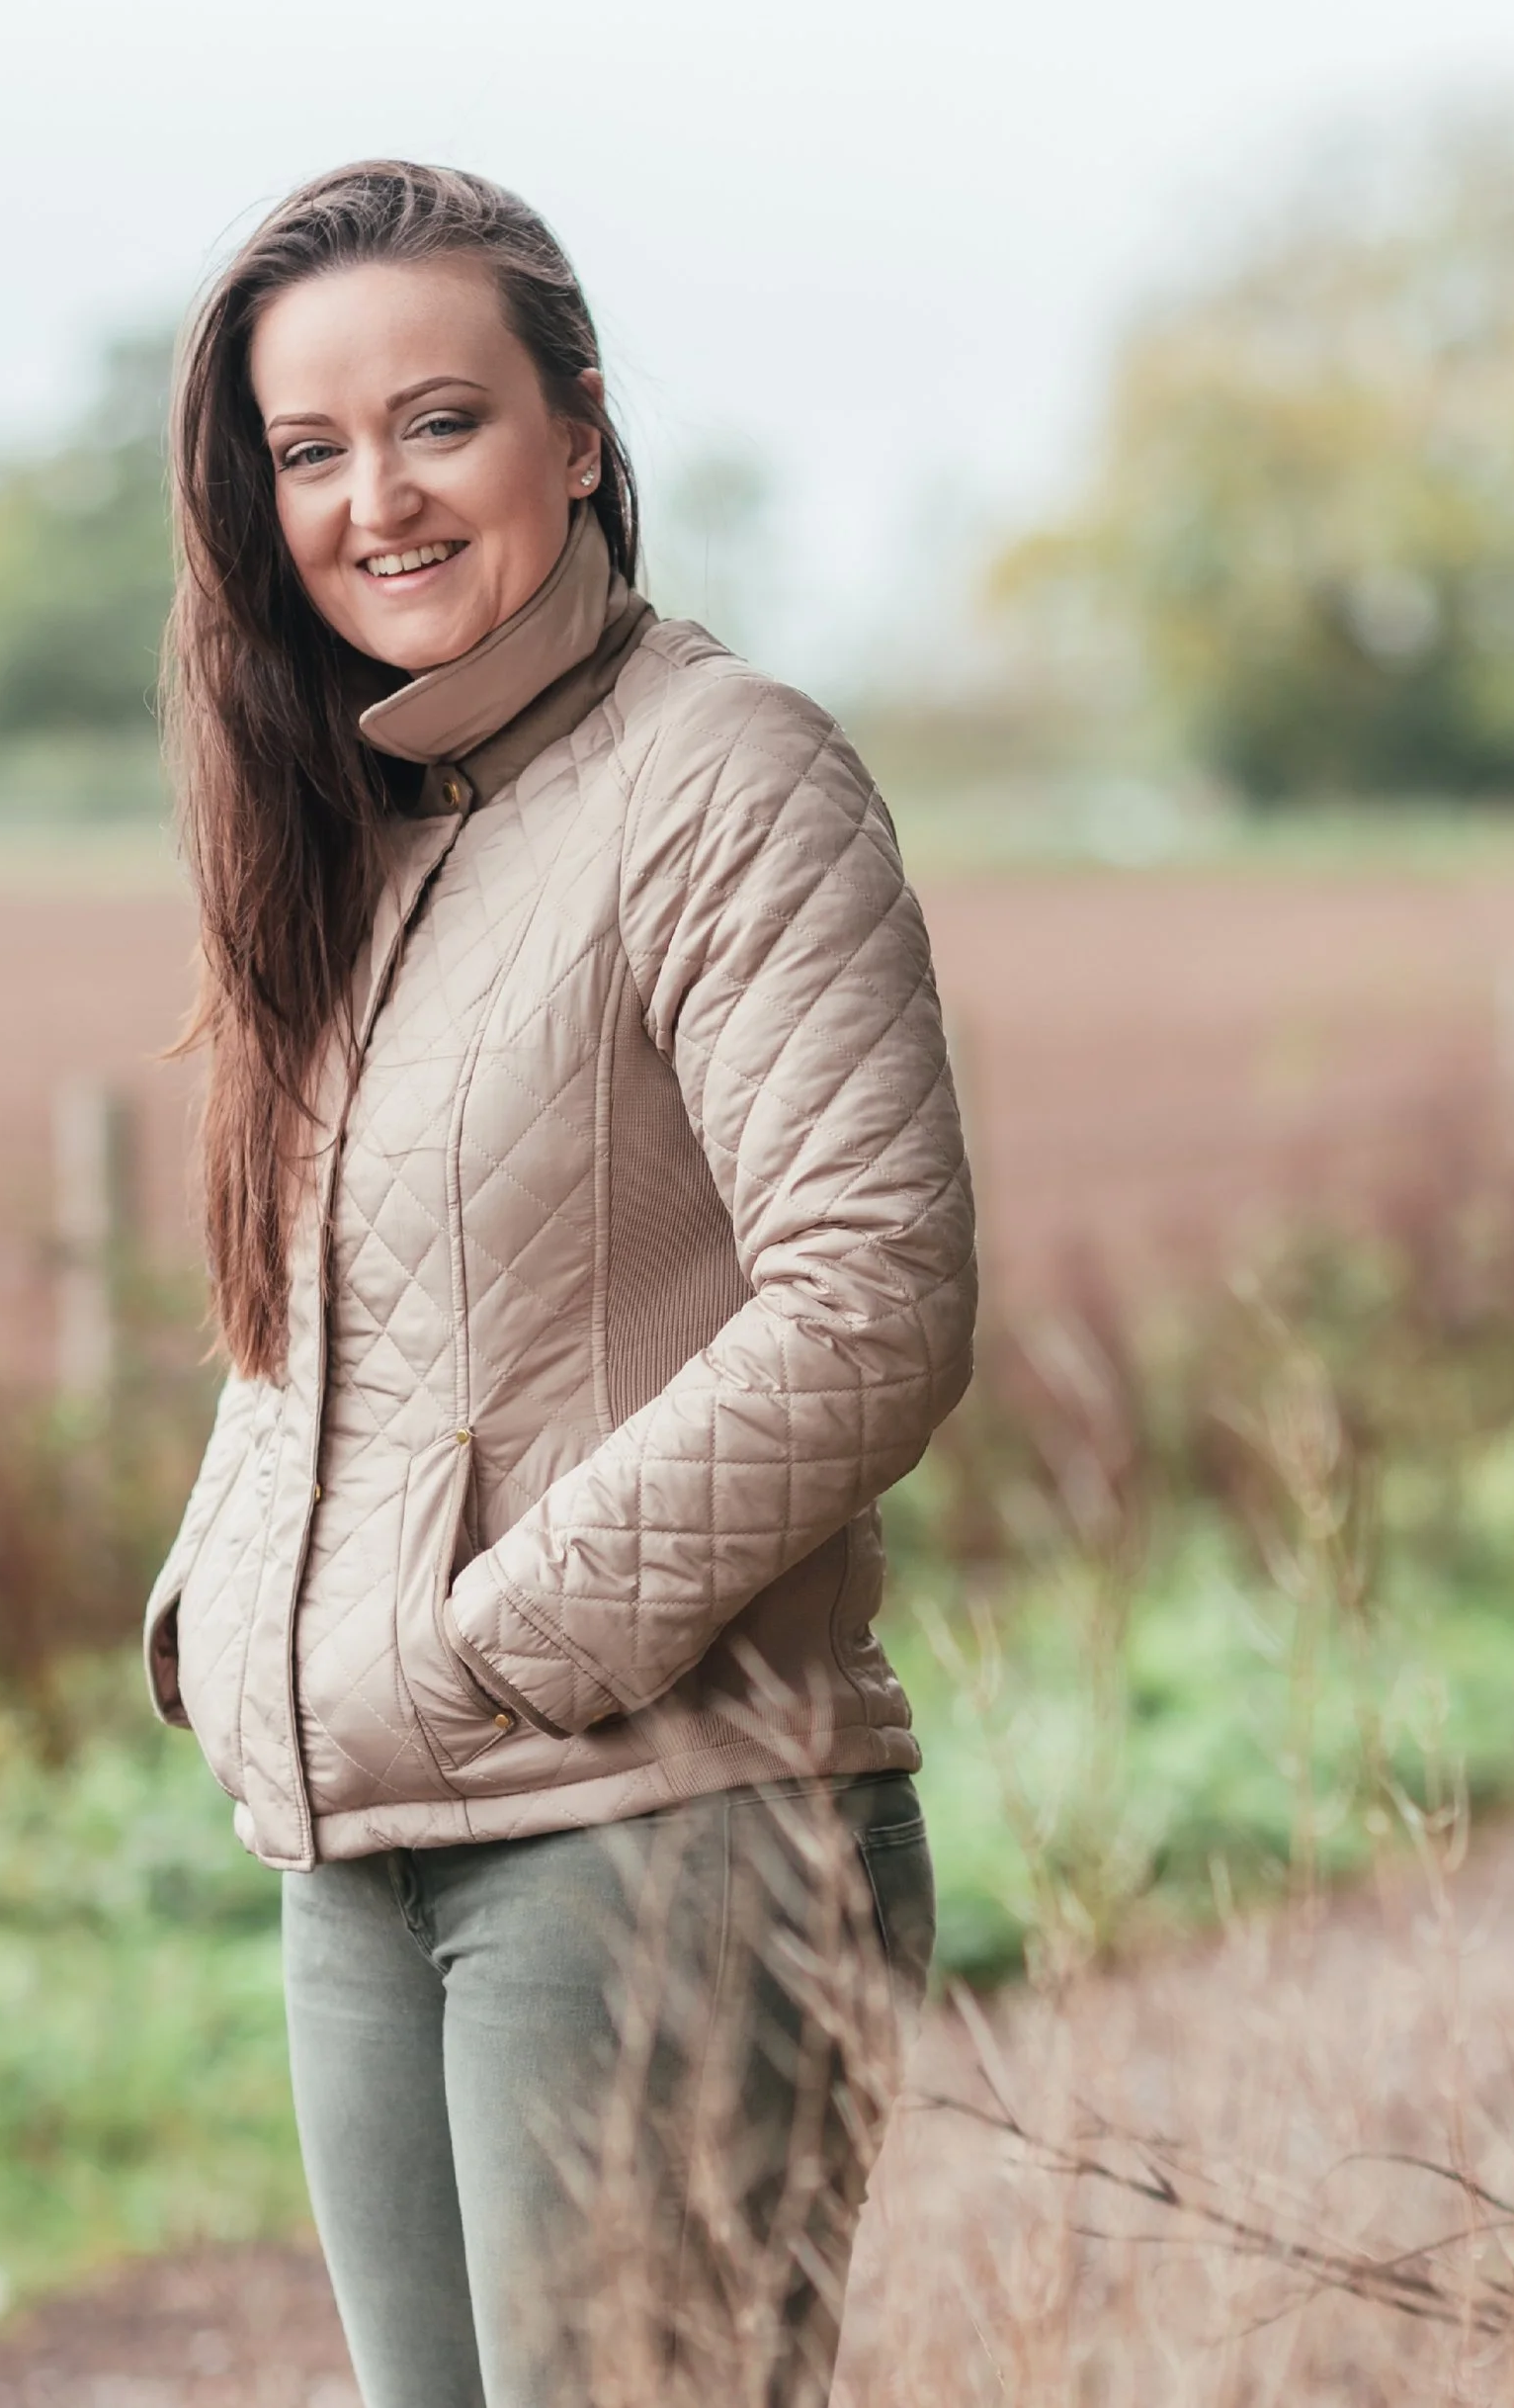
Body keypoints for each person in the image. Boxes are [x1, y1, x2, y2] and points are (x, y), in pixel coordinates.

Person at [142, 158, 976, 2408]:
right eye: (305, 451)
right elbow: (329, 1323)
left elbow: (870, 1290)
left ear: (579, 429)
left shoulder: (722, 774)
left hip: (658, 1833)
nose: (373, 500)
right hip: (365, 1853)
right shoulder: (367, 829)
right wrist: (231, 1633)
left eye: (436, 421)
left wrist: (498, 1642)